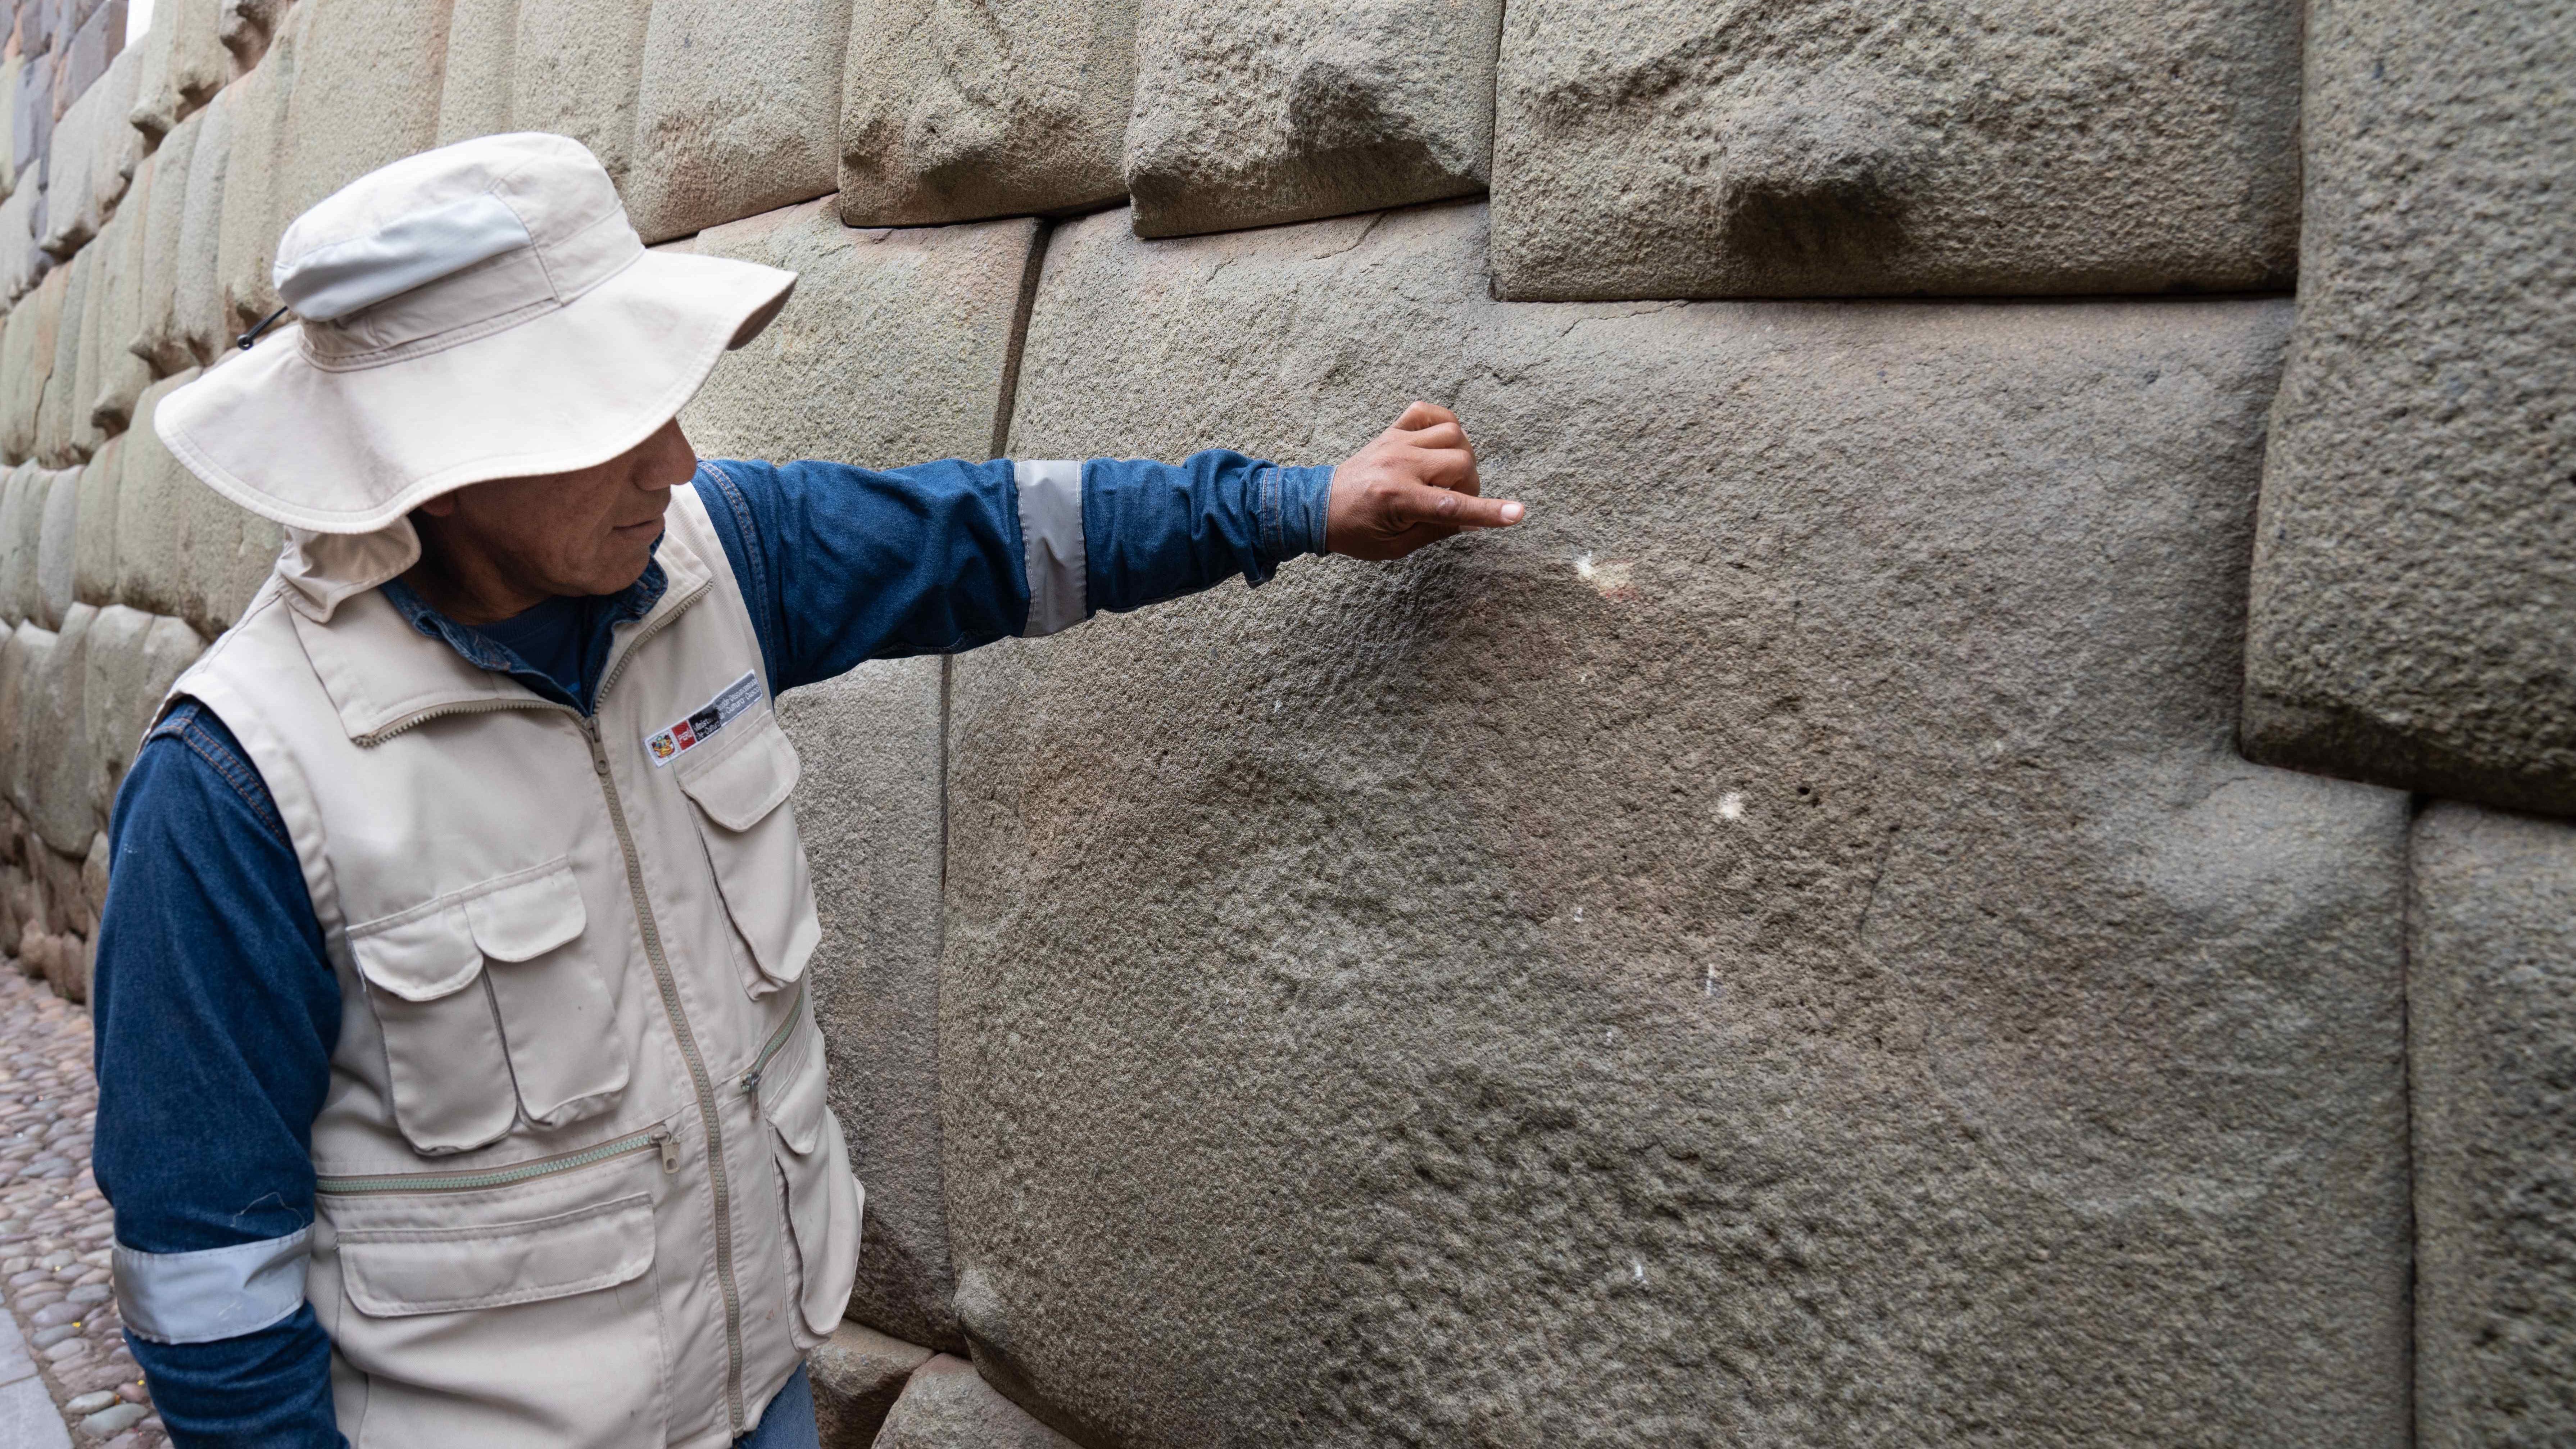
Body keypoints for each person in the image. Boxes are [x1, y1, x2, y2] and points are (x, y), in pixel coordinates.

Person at [83, 132, 1521, 1448]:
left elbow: (991, 536)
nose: (677, 458)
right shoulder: (235, 791)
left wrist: (1301, 505)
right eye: (609, 417)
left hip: (758, 1391)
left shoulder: (720, 559)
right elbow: (210, 1282)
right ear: (436, 467)